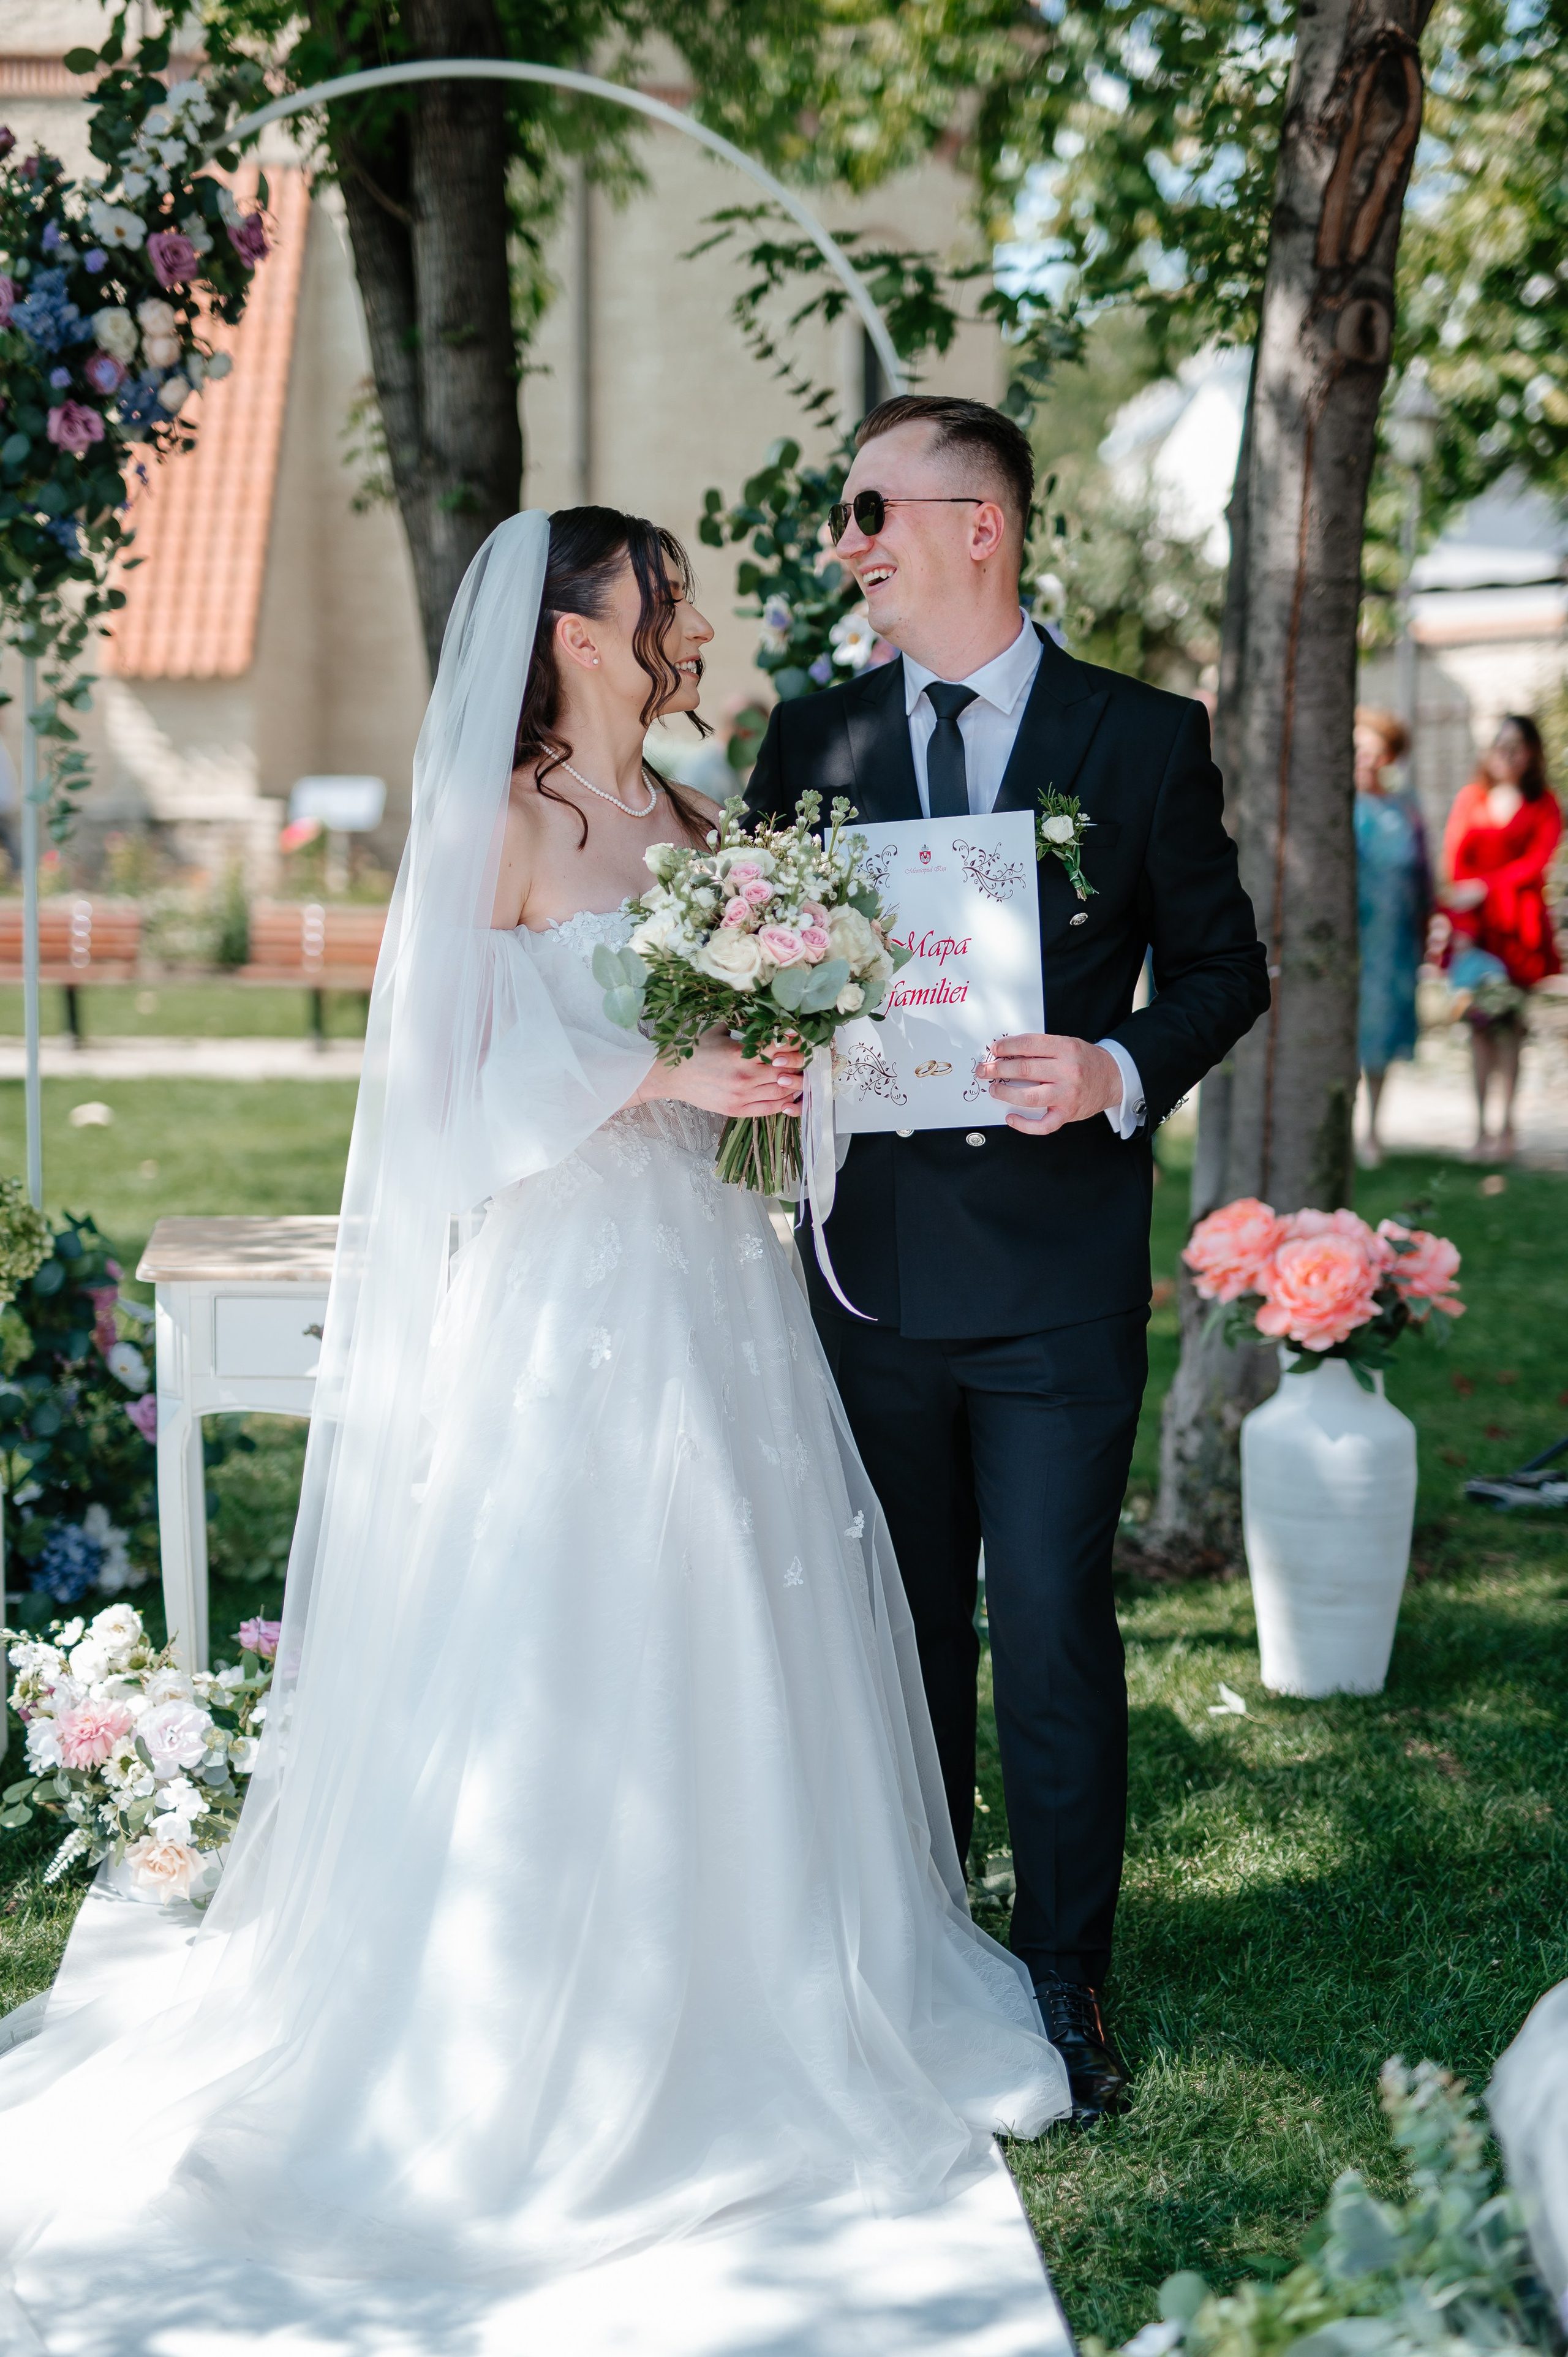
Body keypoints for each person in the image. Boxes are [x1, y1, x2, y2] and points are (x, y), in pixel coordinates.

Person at [0, 508, 1068, 2344]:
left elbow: (752, 1016)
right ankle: (523, 1990)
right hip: (567, 1279)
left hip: (709, 1275)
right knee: (566, 1600)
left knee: (734, 1587)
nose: (687, 623)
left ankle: (755, 1962)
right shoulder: (495, 827)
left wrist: (775, 1063)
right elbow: (438, 1090)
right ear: (576, 629)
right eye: (661, 599)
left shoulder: (692, 809)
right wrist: (662, 1064)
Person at [748, 395, 1270, 2124]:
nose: (850, 545)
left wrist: (1115, 1067)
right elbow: (760, 964)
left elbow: (1223, 968)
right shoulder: (811, 743)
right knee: (893, 1637)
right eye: (843, 516)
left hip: (1054, 1280)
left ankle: (1063, 1973)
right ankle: (913, 1952)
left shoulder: (1140, 739)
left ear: (983, 523)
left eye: (870, 509)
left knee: (1049, 1631)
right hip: (871, 1278)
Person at [1440, 714, 1562, 1161]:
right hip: (1478, 933)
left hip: (1521, 931)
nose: (1507, 754)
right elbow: (1455, 863)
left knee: (1511, 1027)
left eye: (1517, 746)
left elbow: (1537, 863)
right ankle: (1480, 1126)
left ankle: (1507, 1124)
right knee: (1479, 1030)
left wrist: (1488, 887)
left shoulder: (1544, 803)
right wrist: (1463, 927)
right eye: (1500, 745)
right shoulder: (1471, 799)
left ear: (1531, 753)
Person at [1353, 707, 1431, 1167]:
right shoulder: (1332, 809)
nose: (1365, 759)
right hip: (1350, 941)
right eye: (1359, 749)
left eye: (1374, 752)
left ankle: (1374, 1130)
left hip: (1393, 941)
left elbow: (1423, 878)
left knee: (1381, 1038)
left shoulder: (1405, 810)